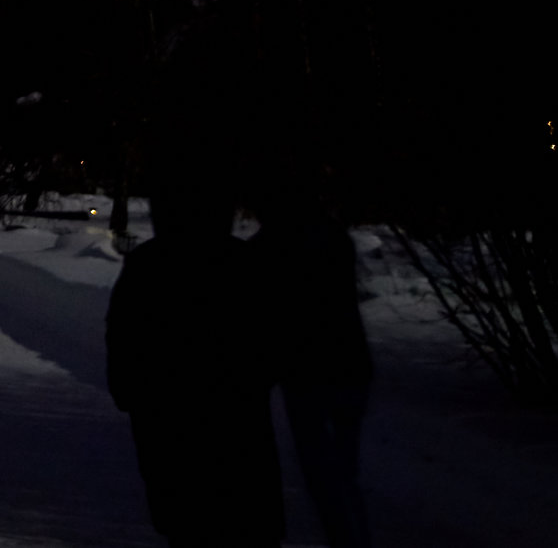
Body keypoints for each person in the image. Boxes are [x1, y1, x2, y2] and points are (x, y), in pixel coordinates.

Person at [106, 183, 284, 547]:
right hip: (236, 416)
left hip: (169, 417)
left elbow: (123, 337)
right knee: (242, 514)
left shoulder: (150, 263)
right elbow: (272, 338)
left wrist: (129, 392)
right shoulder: (242, 261)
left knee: (186, 519)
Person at [251, 190, 372, 548]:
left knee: (324, 477)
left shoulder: (270, 246)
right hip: (349, 366)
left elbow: (268, 316)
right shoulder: (332, 235)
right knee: (342, 476)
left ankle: (348, 539)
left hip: (307, 374)